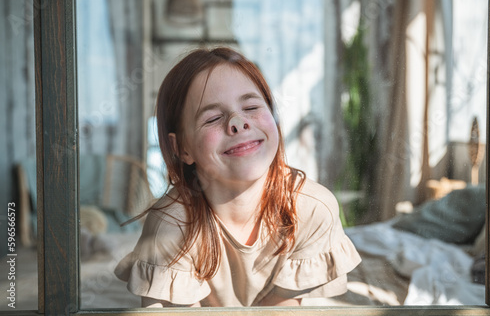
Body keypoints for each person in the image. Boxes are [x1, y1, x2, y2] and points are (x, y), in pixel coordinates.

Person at [114, 47, 361, 308]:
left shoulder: (312, 208)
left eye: (252, 106)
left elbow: (282, 310)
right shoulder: (171, 226)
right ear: (182, 149)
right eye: (212, 118)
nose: (238, 122)